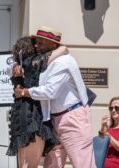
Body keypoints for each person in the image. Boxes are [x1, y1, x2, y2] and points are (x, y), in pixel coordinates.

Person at [14, 26, 96, 168]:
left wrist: (24, 92)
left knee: (83, 164)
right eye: (36, 42)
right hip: (55, 119)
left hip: (72, 118)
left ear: (53, 45)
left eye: (41, 43)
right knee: (52, 164)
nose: (36, 45)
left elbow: (50, 91)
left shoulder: (62, 62)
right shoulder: (46, 61)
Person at [6, 36, 68, 168]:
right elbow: (63, 49)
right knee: (29, 166)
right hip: (32, 116)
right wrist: (55, 43)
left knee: (24, 164)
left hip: (20, 116)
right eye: (35, 44)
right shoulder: (35, 62)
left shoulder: (18, 67)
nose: (37, 46)